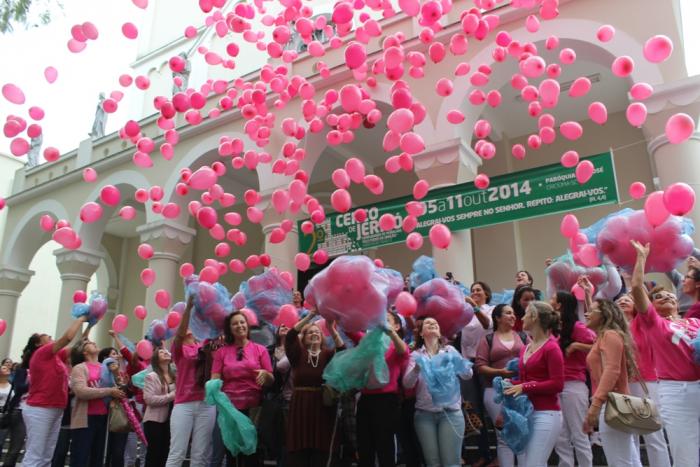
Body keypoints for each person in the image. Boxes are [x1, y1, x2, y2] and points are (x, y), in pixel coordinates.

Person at [630, 240, 700, 466]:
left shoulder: (695, 322)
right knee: (685, 452)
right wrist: (641, 258)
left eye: (670, 295)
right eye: (659, 297)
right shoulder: (654, 323)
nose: (667, 297)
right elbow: (637, 288)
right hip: (675, 392)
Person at [578, 276, 642, 467]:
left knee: (620, 461)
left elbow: (612, 370)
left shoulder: (610, 335)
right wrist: (588, 294)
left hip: (613, 404)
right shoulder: (604, 336)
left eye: (592, 311)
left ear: (604, 315)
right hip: (613, 403)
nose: (587, 314)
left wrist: (595, 405)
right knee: (629, 459)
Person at [403, 317, 472, 467]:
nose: (433, 323)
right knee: (432, 462)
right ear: (421, 333)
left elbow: (468, 374)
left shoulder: (450, 351)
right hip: (424, 415)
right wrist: (416, 369)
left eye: (435, 323)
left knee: (451, 462)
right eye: (428, 323)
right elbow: (407, 384)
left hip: (451, 413)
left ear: (440, 332)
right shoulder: (416, 355)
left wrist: (456, 362)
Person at [22, 317, 89, 467]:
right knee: (35, 453)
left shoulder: (56, 357)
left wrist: (90, 325)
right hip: (40, 408)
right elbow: (68, 338)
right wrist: (82, 318)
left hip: (56, 407)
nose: (52, 339)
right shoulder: (41, 353)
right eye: (47, 337)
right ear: (38, 344)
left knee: (47, 455)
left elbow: (78, 346)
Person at [504, 301, 564, 467]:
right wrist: (509, 384)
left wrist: (524, 387)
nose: (521, 317)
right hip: (527, 413)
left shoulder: (552, 348)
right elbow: (525, 380)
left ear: (535, 317)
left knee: (534, 464)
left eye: (525, 313)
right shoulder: (526, 347)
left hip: (546, 414)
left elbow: (558, 384)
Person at [615, 293, 671, 467]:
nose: (623, 301)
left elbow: (643, 300)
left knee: (653, 435)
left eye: (627, 299)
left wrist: (632, 279)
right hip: (623, 385)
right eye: (619, 300)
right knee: (629, 436)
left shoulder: (641, 324)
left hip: (645, 383)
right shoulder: (613, 330)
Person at [211, 310, 274, 466]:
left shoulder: (260, 349)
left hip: (253, 408)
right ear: (230, 329)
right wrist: (212, 386)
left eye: (242, 322)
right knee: (232, 452)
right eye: (235, 323)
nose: (239, 326)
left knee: (251, 453)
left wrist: (265, 374)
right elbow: (215, 378)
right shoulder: (222, 352)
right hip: (229, 409)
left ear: (247, 325)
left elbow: (271, 379)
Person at [285, 309, 344, 466]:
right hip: (301, 405)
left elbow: (342, 351)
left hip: (321, 405)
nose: (314, 334)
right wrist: (310, 316)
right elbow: (290, 336)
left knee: (321, 447)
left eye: (317, 331)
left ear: (322, 336)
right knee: (300, 449)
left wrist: (331, 328)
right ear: (304, 338)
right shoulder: (298, 353)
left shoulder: (327, 354)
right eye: (310, 332)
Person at [166, 296, 216, 467]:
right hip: (183, 404)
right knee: (177, 452)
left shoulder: (205, 345)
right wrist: (188, 309)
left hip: (207, 403)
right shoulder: (179, 348)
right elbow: (180, 335)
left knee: (200, 454)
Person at [475, 304, 527, 467]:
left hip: (521, 389)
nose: (513, 316)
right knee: (503, 436)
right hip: (495, 391)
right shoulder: (488, 339)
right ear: (497, 318)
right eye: (508, 313)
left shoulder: (523, 336)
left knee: (523, 432)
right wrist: (501, 373)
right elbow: (480, 366)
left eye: (513, 313)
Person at [356, 311, 409, 467]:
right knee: (365, 447)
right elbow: (350, 332)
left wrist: (390, 332)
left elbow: (403, 351)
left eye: (386, 320)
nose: (380, 323)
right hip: (365, 399)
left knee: (384, 446)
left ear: (397, 326)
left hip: (386, 402)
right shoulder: (367, 341)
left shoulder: (396, 345)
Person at [552, 291, 595, 467]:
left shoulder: (578, 327)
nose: (550, 301)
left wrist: (576, 345)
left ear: (560, 304)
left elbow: (597, 345)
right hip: (555, 385)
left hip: (574, 385)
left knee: (579, 433)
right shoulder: (553, 327)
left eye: (553, 299)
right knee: (560, 435)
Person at [69, 338, 126, 467]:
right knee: (80, 457)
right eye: (88, 343)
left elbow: (119, 388)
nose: (94, 342)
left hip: (103, 417)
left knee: (98, 458)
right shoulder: (79, 368)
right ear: (84, 351)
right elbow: (81, 391)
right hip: (85, 418)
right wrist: (109, 391)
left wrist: (117, 374)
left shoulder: (104, 367)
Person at [459, 282, 494, 467]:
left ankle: (497, 454)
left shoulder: (491, 309)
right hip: (468, 365)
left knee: (490, 407)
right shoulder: (465, 314)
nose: (474, 293)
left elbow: (487, 324)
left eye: (478, 290)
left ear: (487, 294)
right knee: (474, 410)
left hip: (486, 363)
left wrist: (473, 305)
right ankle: (483, 453)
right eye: (472, 291)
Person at [143, 348, 176, 467]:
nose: (166, 352)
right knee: (154, 454)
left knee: (165, 453)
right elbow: (149, 399)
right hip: (154, 420)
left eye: (167, 351)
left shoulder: (174, 376)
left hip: (170, 420)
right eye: (162, 352)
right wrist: (171, 396)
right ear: (156, 359)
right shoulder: (152, 376)